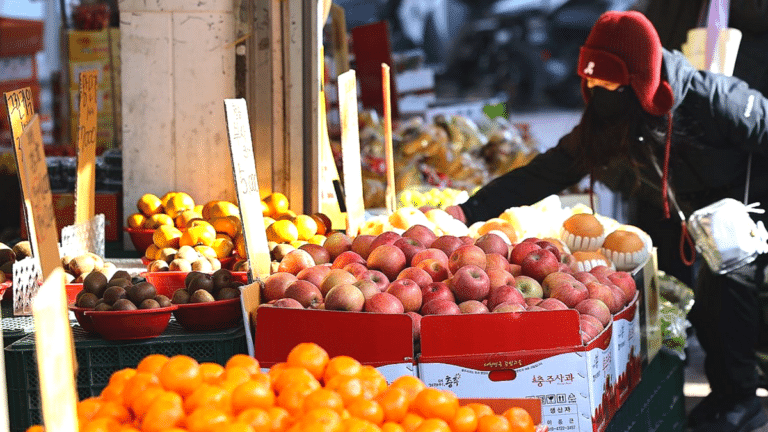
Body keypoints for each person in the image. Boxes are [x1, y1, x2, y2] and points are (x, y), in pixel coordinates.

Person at [446, 10, 768, 432]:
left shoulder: (715, 101)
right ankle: (674, 375)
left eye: (609, 82)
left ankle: (739, 397)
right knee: (665, 297)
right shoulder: (605, 117)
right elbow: (548, 171)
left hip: (733, 210)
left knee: (725, 295)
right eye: (592, 81)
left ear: (641, 80)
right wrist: (468, 210)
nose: (597, 90)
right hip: (665, 207)